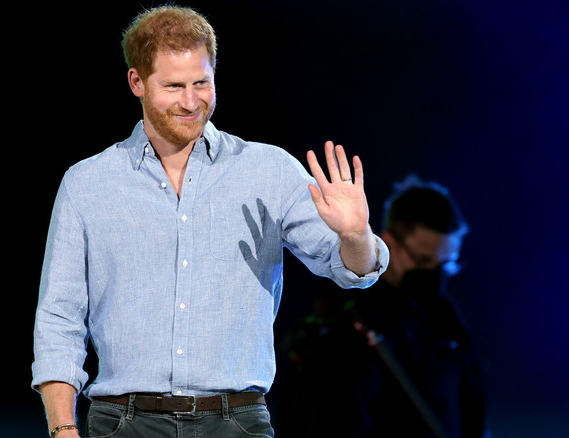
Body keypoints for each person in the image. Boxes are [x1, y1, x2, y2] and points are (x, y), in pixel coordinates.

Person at [31, 5, 389, 438]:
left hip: (236, 421)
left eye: (202, 82)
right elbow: (59, 318)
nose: (191, 101)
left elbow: (353, 270)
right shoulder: (87, 183)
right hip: (123, 422)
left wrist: (355, 235)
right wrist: (63, 428)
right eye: (174, 86)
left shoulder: (270, 170)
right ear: (137, 82)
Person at [278, 175, 489, 437]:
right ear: (389, 242)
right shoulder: (351, 316)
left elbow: (470, 405)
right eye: (423, 261)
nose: (435, 275)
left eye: (446, 264)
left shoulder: (445, 314)